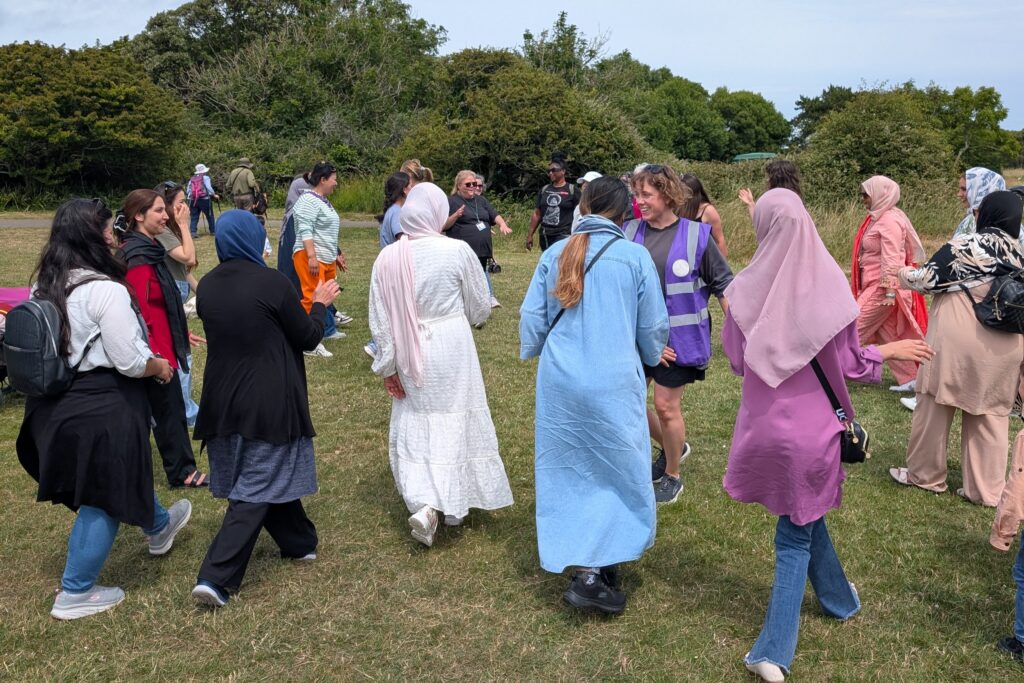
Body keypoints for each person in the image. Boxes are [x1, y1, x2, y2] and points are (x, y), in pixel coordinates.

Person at [722, 188, 934, 682]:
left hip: (762, 426)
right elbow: (851, 363)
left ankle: (839, 600)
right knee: (794, 535)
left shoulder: (743, 291)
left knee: (804, 513)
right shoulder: (831, 287)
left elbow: (736, 359)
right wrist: (890, 350)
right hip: (814, 431)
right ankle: (773, 651)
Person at [16, 198, 192, 619]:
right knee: (103, 494)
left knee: (117, 472)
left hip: (52, 406)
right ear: (92, 237)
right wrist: (160, 367)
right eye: (107, 229)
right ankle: (75, 591)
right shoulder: (106, 290)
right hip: (101, 405)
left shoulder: (46, 285)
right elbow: (129, 360)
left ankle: (158, 525)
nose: (113, 235)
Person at [520, 177, 669, 614]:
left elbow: (533, 319)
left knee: (569, 468)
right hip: (613, 375)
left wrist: (535, 347)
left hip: (562, 378)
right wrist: (650, 354)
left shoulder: (555, 253)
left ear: (582, 206)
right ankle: (597, 565)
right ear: (624, 213)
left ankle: (591, 562)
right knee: (618, 466)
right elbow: (652, 326)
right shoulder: (634, 256)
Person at [190, 210, 338, 607]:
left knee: (264, 472)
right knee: (256, 483)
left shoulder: (208, 286)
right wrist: (320, 304)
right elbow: (307, 338)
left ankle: (299, 542)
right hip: (268, 398)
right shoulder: (272, 283)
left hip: (223, 397)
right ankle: (216, 577)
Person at [368, 183, 513, 547]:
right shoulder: (456, 250)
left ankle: (426, 500)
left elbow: (380, 320)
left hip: (408, 346)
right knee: (454, 415)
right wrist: (470, 316)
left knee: (418, 418)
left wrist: (388, 366)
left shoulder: (387, 258)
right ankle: (446, 502)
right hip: (451, 343)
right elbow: (479, 306)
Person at [891, 191, 1024, 507]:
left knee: (934, 404)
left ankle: (925, 476)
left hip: (958, 337)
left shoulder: (966, 246)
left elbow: (926, 280)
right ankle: (986, 491)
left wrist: (900, 272)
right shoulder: (1020, 253)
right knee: (990, 414)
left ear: (986, 215)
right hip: (1008, 344)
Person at [626, 164, 733, 504]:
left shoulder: (697, 235)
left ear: (668, 195)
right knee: (625, 400)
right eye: (636, 194)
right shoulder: (627, 232)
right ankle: (674, 445)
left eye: (646, 194)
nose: (640, 201)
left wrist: (738, 330)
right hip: (636, 339)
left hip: (678, 341)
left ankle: (672, 474)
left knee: (665, 406)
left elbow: (723, 284)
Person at [120, 189, 208, 489]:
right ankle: (183, 472)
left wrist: (179, 330)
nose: (165, 215)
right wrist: (157, 356)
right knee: (167, 412)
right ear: (138, 216)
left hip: (163, 342)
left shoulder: (150, 248)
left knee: (170, 409)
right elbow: (139, 313)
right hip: (154, 353)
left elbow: (162, 300)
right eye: (158, 210)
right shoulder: (137, 257)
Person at [851, 176, 929, 394]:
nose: (863, 199)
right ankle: (912, 378)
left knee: (852, 328)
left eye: (866, 195)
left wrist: (889, 292)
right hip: (876, 285)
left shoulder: (889, 221)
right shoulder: (878, 218)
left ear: (880, 195)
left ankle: (834, 366)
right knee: (889, 334)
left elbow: (892, 258)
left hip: (882, 288)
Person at [154, 181, 200, 427]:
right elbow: (188, 257)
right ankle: (186, 412)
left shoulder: (168, 229)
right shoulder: (163, 231)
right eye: (181, 202)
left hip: (177, 289)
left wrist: (206, 293)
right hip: (171, 292)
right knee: (181, 356)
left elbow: (185, 272)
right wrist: (184, 224)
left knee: (178, 353)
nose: (186, 206)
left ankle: (182, 408)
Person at [291, 161, 348, 356]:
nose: (336, 183)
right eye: (334, 179)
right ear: (323, 180)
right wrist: (312, 256)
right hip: (310, 256)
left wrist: (334, 255)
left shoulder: (322, 200)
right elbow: (305, 229)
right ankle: (308, 342)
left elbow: (325, 232)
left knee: (327, 295)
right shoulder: (308, 200)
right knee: (311, 297)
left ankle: (325, 330)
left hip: (325, 257)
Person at [444, 170, 512, 308]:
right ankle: (464, 305)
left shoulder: (481, 200)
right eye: (468, 184)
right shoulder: (451, 201)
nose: (472, 187)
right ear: (459, 185)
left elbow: (494, 214)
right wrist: (456, 215)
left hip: (482, 251)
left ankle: (482, 303)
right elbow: (444, 225)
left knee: (479, 277)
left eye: (474, 184)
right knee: (465, 279)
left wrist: (502, 224)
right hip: (463, 251)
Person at [364, 172, 411, 359]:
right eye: (410, 185)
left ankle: (381, 345)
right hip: (395, 266)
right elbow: (403, 240)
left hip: (389, 265)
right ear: (403, 190)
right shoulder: (397, 212)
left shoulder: (393, 210)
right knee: (396, 308)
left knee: (394, 307)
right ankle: (376, 345)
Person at [525, 155, 580, 252]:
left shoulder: (572, 190)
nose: (550, 173)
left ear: (563, 171)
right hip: (546, 235)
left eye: (554, 170)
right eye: (549, 171)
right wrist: (530, 234)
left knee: (560, 258)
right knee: (548, 258)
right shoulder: (544, 190)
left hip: (564, 235)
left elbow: (580, 213)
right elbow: (537, 214)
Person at [681, 173, 728, 258]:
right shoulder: (679, 207)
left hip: (704, 258)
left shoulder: (708, 210)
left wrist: (722, 263)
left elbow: (719, 240)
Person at [738, 160, 803, 220]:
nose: (767, 180)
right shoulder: (795, 200)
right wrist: (751, 203)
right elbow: (761, 224)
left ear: (778, 179)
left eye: (770, 177)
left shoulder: (783, 203)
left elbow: (763, 226)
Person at [952, 167, 1007, 238]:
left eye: (964, 189)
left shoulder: (972, 223)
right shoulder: (1012, 223)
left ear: (981, 190)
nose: (959, 194)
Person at [186, 163, 218, 236]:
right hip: (204, 199)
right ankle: (213, 231)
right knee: (209, 215)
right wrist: (214, 194)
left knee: (194, 216)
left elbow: (188, 190)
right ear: (204, 171)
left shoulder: (192, 178)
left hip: (193, 200)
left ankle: (193, 232)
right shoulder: (206, 178)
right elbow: (209, 187)